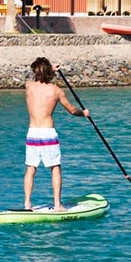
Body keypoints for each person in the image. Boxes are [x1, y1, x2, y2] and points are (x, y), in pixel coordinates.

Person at [22, 56, 89, 211]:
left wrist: (49, 68)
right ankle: (57, 204)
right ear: (49, 72)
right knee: (55, 168)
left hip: (32, 133)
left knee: (31, 168)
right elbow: (73, 110)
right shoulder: (56, 91)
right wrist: (84, 113)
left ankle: (27, 204)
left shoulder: (29, 87)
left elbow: (35, 76)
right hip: (48, 134)